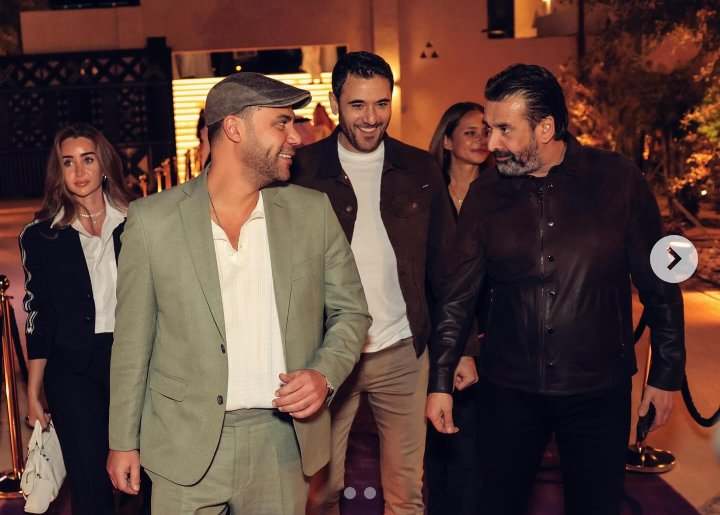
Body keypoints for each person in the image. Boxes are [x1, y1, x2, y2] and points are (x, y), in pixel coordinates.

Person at [426, 63, 686, 515]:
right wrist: (441, 380)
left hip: (597, 389)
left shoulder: (619, 180)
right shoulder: (486, 194)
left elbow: (660, 282)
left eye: (504, 130)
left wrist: (666, 374)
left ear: (545, 128)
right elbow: (457, 295)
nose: (492, 144)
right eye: (488, 129)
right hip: (508, 389)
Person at [106, 72, 370, 515]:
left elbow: (352, 312)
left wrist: (323, 374)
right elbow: (132, 342)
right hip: (182, 442)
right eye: (281, 123)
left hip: (281, 444)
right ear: (234, 128)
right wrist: (122, 441)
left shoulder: (311, 213)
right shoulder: (152, 221)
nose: (296, 137)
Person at [293, 51, 456, 515]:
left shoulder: (420, 168)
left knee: (406, 493)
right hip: (326, 355)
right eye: (358, 105)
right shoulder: (301, 170)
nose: (371, 118)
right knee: (320, 491)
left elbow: (446, 267)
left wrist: (461, 351)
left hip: (403, 350)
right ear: (335, 103)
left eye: (381, 104)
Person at [20, 123, 133, 515]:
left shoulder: (137, 221)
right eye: (68, 162)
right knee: (89, 483)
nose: (79, 171)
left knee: (145, 477)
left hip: (133, 362)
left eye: (88, 159)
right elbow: (39, 315)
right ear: (59, 171)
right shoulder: (41, 236)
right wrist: (34, 391)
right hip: (71, 371)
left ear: (104, 165)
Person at [425, 102, 493, 515]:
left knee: (484, 441)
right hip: (439, 329)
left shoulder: (503, 192)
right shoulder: (427, 193)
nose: (482, 139)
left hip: (493, 330)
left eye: (486, 131)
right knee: (443, 439)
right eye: (470, 132)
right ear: (447, 140)